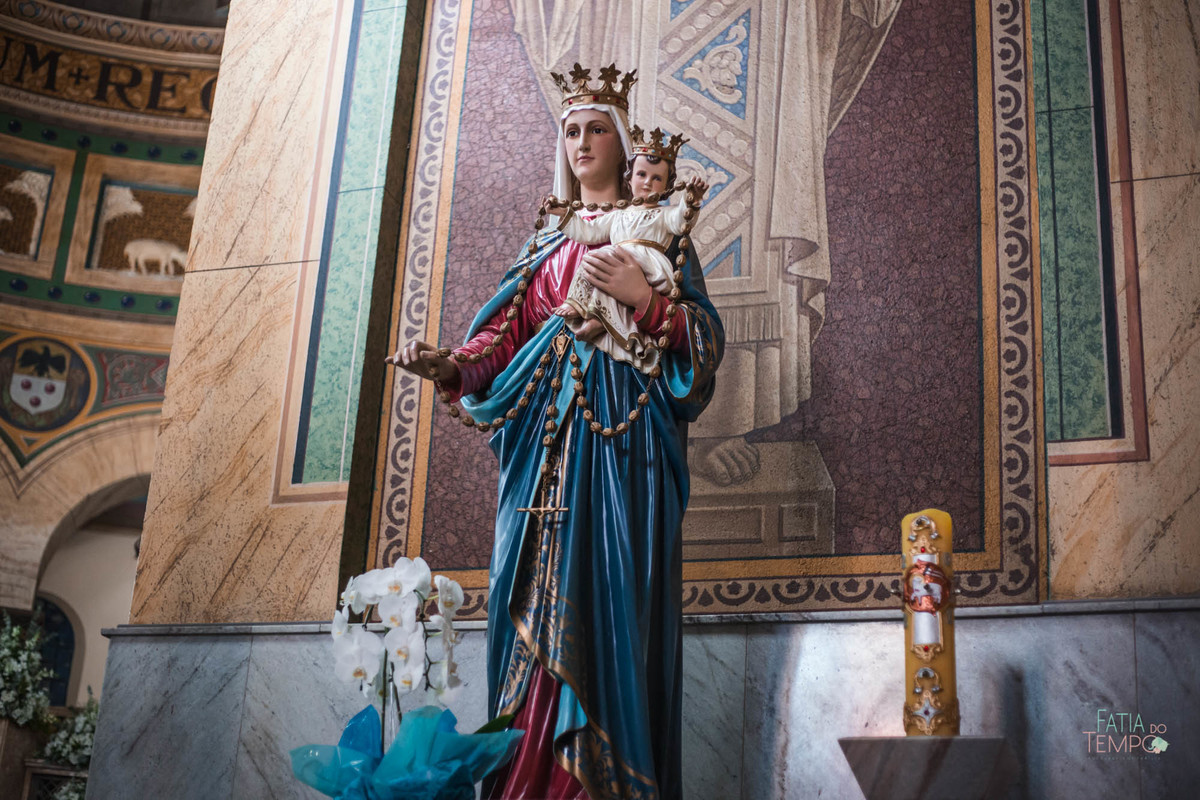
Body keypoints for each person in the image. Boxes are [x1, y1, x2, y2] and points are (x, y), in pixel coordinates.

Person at [388, 63, 723, 800]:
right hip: (541, 462)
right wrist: (448, 364)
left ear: (623, 144)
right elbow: (501, 341)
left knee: (613, 612)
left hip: (624, 455)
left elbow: (703, 351)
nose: (580, 143)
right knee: (527, 613)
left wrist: (646, 301)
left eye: (596, 129)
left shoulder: (662, 236)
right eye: (569, 130)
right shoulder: (546, 241)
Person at [550, 128, 709, 374]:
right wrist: (565, 216)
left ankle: (599, 321)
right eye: (642, 174)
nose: (647, 182)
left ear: (667, 186)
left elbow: (682, 222)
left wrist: (691, 201)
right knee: (593, 261)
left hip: (648, 264)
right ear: (629, 178)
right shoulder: (618, 215)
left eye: (656, 178)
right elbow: (588, 232)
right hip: (618, 258)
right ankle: (582, 308)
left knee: (617, 278)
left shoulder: (664, 215)